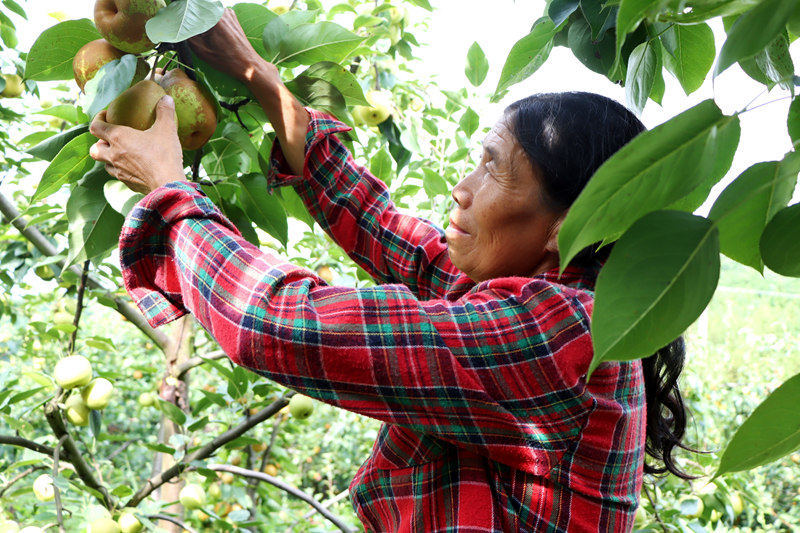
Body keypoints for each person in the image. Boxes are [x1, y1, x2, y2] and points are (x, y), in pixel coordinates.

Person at [89, 9, 691, 533]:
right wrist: (255, 74)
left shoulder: (562, 332)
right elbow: (381, 225)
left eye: (493, 168)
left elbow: (279, 325)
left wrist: (169, 191)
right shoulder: (530, 293)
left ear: (568, 224)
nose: (462, 189)